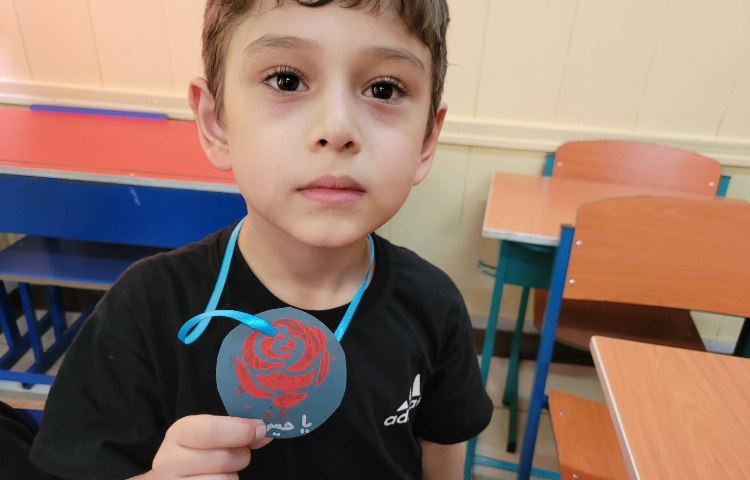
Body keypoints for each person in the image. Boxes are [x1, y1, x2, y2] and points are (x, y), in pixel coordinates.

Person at [30, 0, 493, 478]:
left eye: (384, 89)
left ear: (426, 142)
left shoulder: (434, 305)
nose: (336, 129)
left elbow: (441, 455)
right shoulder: (144, 308)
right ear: (216, 122)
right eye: (286, 81)